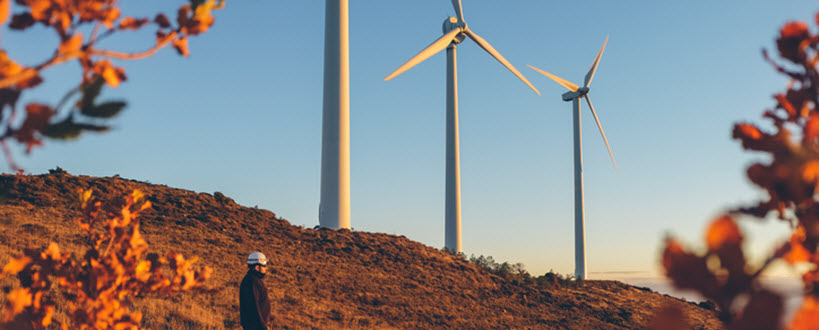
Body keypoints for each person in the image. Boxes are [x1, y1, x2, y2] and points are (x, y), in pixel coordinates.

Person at [240, 251, 271, 330]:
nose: (266, 268)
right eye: (264, 266)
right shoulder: (252, 281)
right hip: (256, 327)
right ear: (257, 267)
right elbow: (254, 306)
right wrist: (263, 326)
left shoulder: (251, 280)